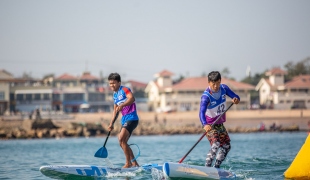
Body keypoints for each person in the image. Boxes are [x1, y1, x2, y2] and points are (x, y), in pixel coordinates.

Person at [199, 71, 240, 168]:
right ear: (209, 83)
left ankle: (216, 168)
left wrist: (236, 99)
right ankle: (207, 168)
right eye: (214, 84)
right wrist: (205, 124)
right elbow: (201, 113)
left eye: (218, 83)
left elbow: (236, 97)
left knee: (227, 146)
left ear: (220, 81)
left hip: (220, 125)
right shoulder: (206, 97)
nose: (216, 86)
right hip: (210, 126)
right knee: (216, 143)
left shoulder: (224, 88)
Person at [107, 72, 139, 168]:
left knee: (121, 139)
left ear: (119, 83)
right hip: (124, 120)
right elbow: (115, 111)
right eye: (110, 83)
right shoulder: (114, 95)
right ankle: (135, 163)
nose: (111, 85)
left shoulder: (125, 89)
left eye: (114, 83)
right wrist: (111, 123)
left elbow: (132, 98)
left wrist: (122, 105)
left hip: (132, 118)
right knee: (122, 142)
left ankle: (128, 163)